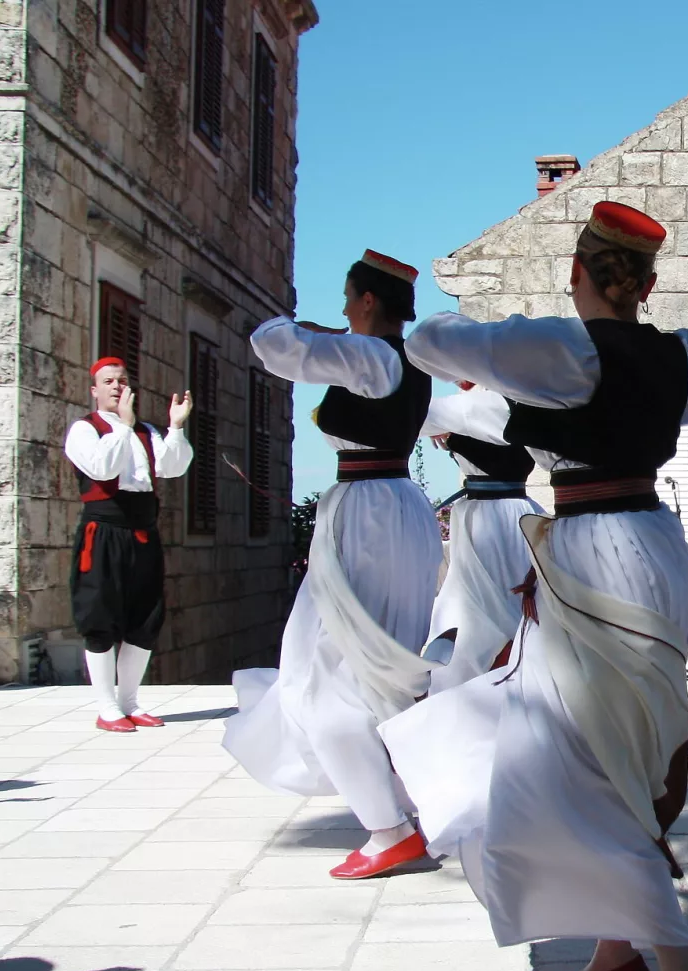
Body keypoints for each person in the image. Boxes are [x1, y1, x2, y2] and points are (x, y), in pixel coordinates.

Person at [382, 202, 688, 971]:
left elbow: (435, 342)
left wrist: (475, 344)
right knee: (600, 745)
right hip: (650, 544)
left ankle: (680, 962)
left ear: (577, 272)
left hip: (593, 548)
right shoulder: (681, 359)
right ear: (647, 285)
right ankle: (612, 950)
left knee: (582, 754)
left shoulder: (563, 349)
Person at [223, 250, 441, 881]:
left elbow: (273, 345)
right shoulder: (403, 361)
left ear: (368, 301)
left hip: (369, 517)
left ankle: (387, 826)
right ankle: (405, 804)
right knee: (370, 664)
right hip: (392, 509)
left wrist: (314, 330)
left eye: (349, 297)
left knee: (329, 667)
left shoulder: (372, 356)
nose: (344, 308)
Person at [64, 359, 193, 731]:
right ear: (95, 389)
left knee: (146, 617)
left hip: (143, 532)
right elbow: (102, 469)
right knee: (100, 614)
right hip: (104, 532)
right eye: (109, 382)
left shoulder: (146, 432)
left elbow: (173, 466)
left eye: (122, 380)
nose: (117, 387)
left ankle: (129, 702)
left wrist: (176, 427)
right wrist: (121, 426)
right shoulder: (84, 430)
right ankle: (107, 708)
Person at [421, 382, 544, 693]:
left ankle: (498, 679)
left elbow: (414, 414)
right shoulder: (485, 400)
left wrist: (444, 425)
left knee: (494, 607)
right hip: (485, 514)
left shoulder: (492, 401)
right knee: (471, 605)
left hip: (496, 518)